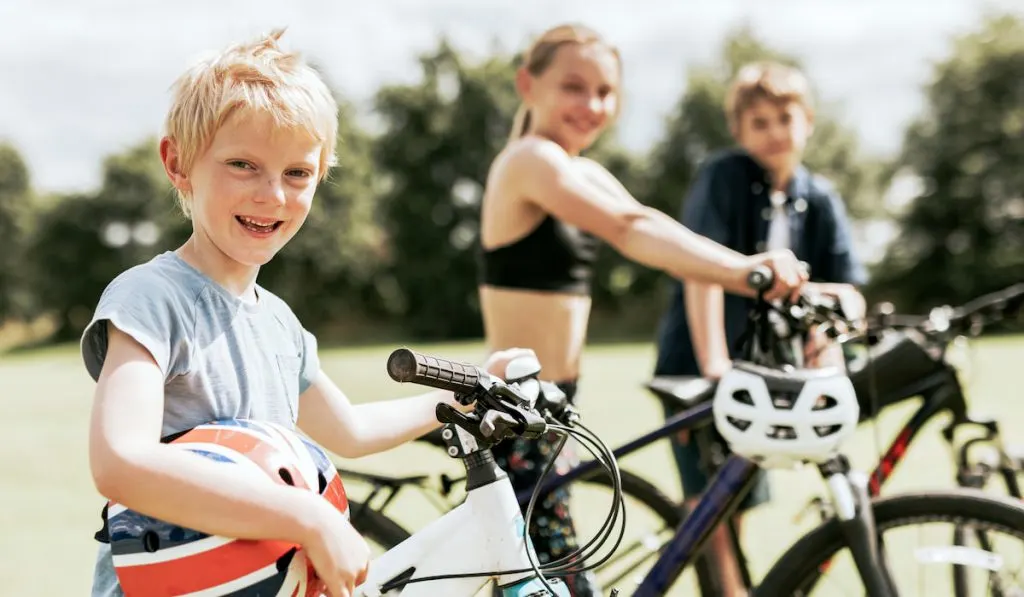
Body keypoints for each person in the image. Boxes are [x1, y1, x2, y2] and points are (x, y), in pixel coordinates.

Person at [82, 29, 534, 597]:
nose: (272, 194)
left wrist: (463, 395)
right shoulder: (150, 298)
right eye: (243, 164)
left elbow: (349, 429)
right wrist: (309, 516)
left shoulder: (278, 323)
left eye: (297, 173)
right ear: (178, 163)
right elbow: (120, 462)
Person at [477, 25, 809, 596]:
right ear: (528, 85)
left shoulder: (579, 171)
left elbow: (653, 227)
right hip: (513, 413)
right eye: (574, 87)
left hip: (551, 412)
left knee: (550, 578)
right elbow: (629, 231)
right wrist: (746, 271)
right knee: (549, 582)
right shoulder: (530, 160)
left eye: (605, 92)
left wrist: (761, 273)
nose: (592, 105)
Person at [652, 61, 868, 596]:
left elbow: (850, 295)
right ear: (739, 130)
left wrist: (822, 338)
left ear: (808, 121)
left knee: (738, 495)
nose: (774, 132)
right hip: (700, 361)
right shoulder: (724, 177)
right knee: (708, 502)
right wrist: (714, 369)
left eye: (784, 118)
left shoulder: (819, 199)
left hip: (769, 372)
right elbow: (699, 272)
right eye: (760, 122)